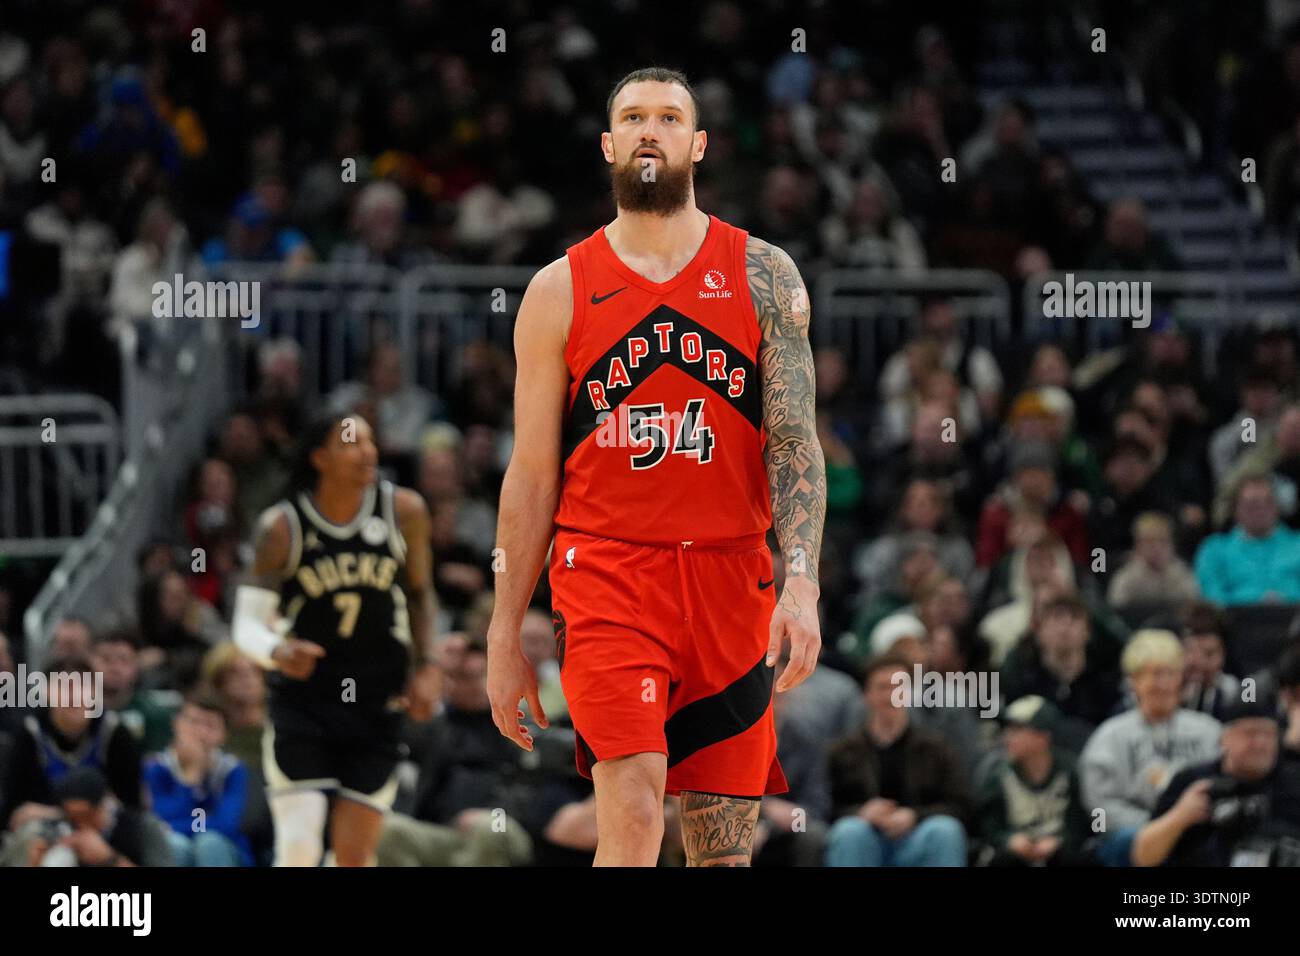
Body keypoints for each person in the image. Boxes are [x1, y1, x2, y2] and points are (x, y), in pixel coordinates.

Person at [486, 67, 826, 867]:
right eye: (633, 117)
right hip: (606, 575)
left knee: (722, 854)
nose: (650, 130)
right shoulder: (558, 289)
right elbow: (531, 475)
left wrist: (803, 580)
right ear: (608, 145)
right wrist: (505, 631)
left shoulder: (764, 274)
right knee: (634, 816)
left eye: (669, 118)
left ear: (698, 144)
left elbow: (794, 441)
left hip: (731, 580)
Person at [234, 413, 441, 866]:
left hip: (377, 700)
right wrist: (276, 650)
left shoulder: (405, 512)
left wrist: (427, 668)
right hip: (304, 701)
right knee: (301, 843)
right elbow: (245, 624)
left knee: (353, 856)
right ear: (319, 457)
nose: (368, 451)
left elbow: (422, 596)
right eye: (351, 442)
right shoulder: (282, 527)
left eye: (370, 441)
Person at [1080, 630, 1222, 865]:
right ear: (1134, 681)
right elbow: (1099, 809)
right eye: (1155, 675)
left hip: (1198, 826)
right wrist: (1159, 826)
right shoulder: (1109, 736)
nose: (1164, 684)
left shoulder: (1208, 730)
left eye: (1171, 674)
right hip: (1134, 836)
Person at [824, 654, 970, 867]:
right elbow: (822, 808)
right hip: (865, 839)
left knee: (945, 830)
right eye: (883, 687)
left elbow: (962, 806)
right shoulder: (841, 752)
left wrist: (914, 816)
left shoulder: (937, 748)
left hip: (918, 837)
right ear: (867, 695)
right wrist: (861, 812)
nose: (892, 695)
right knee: (849, 831)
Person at [1132, 697, 1300, 866]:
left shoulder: (1294, 783)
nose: (1260, 743)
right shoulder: (1194, 782)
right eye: (1250, 733)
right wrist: (1181, 816)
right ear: (1224, 739)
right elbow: (1143, 857)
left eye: (1268, 734)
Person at [976, 695, 1094, 866]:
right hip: (1015, 856)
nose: (1008, 736)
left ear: (1043, 737)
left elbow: (1083, 822)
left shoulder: (1071, 773)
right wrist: (1008, 839)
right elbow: (989, 824)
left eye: (1017, 730)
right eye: (1008, 729)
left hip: (1060, 854)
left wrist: (1061, 840)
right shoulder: (998, 776)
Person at [142, 692, 252, 866]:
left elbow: (227, 825)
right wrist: (190, 778)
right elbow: (159, 821)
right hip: (176, 844)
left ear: (223, 734)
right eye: (193, 722)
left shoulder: (232, 770)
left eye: (210, 725)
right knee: (174, 844)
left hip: (224, 851)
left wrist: (181, 825)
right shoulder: (156, 768)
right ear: (175, 724)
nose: (199, 732)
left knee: (209, 842)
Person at [7, 767, 171, 868]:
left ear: (105, 804)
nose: (81, 824)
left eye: (86, 816)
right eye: (73, 817)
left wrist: (110, 860)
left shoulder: (143, 827)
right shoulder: (61, 829)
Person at [1195, 476, 1300, 605]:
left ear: (1276, 506)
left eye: (1266, 503)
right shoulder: (1214, 549)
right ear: (1236, 510)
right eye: (1252, 505)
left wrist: (1285, 599)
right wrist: (1257, 600)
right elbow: (1212, 598)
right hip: (1235, 622)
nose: (1260, 510)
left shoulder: (1297, 544)